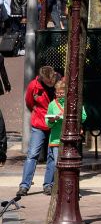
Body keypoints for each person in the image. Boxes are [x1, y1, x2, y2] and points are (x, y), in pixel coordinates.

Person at [18, 65, 57, 197]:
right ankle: (24, 185)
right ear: (42, 79)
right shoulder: (33, 86)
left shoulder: (59, 82)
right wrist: (37, 112)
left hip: (55, 124)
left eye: (52, 81)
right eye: (48, 82)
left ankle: (48, 184)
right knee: (32, 154)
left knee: (52, 155)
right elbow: (29, 102)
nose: (51, 84)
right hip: (40, 122)